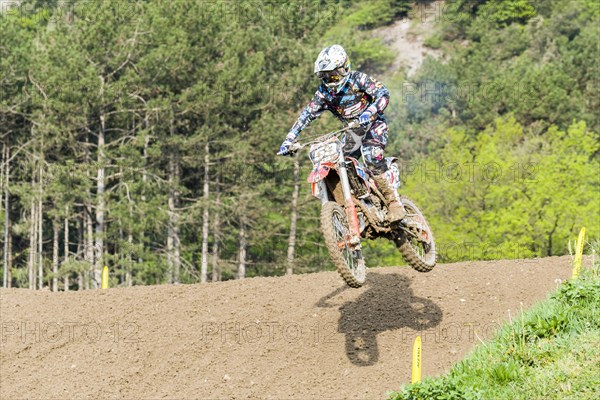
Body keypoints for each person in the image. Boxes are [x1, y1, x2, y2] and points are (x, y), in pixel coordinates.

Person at [279, 44, 406, 222]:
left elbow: (383, 93)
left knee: (371, 156)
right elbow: (306, 115)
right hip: (352, 131)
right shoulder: (324, 93)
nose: (329, 80)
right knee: (338, 161)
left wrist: (369, 112)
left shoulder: (358, 79)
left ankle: (394, 202)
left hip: (374, 124)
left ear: (344, 68)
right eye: (324, 76)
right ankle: (359, 198)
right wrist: (290, 138)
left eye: (332, 74)